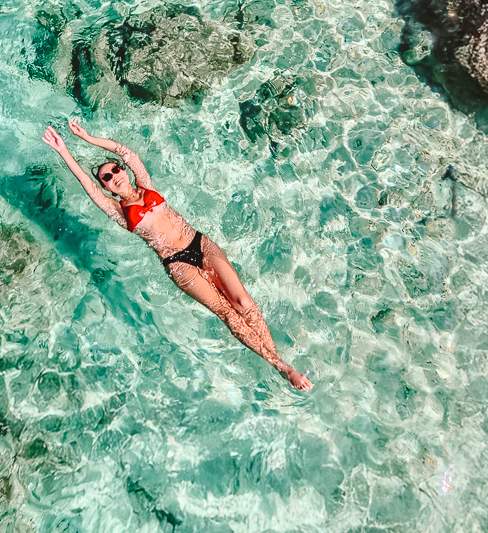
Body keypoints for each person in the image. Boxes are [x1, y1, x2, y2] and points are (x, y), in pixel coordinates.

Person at [42, 121, 313, 390]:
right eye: (106, 178)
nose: (114, 176)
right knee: (228, 314)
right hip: (177, 263)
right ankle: (284, 368)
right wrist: (63, 149)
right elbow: (86, 184)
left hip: (200, 244)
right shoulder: (119, 212)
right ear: (106, 188)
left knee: (243, 302)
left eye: (115, 169)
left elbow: (126, 152)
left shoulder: (146, 185)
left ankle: (277, 359)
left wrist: (89, 138)